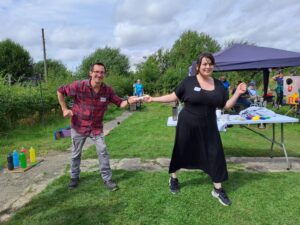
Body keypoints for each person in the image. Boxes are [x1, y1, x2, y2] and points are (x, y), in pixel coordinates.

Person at [143, 53, 247, 206]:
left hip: (209, 126)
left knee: (215, 154)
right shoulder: (188, 82)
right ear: (198, 67)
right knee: (181, 150)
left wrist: (237, 92)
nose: (207, 66)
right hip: (187, 124)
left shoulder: (219, 85)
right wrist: (153, 99)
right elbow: (173, 96)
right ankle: (173, 178)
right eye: (204, 64)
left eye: (210, 64)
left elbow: (225, 105)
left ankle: (217, 190)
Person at [57, 62, 137, 191]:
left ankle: (107, 179)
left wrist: (128, 101)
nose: (99, 75)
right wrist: (64, 109)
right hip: (78, 126)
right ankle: (74, 177)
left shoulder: (107, 90)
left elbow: (120, 103)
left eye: (102, 72)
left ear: (104, 74)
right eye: (96, 72)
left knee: (103, 151)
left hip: (96, 128)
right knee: (76, 154)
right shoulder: (79, 85)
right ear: (91, 73)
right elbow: (60, 91)